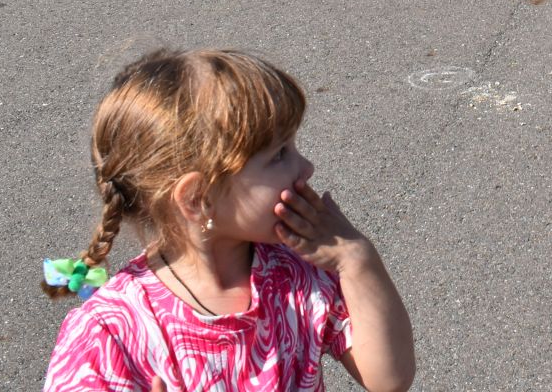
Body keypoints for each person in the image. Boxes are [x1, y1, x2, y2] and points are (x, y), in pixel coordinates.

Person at [42, 48, 415, 392]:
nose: (306, 167)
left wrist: (356, 261)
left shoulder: (298, 272)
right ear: (198, 199)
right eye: (280, 154)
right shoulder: (111, 334)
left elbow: (388, 378)